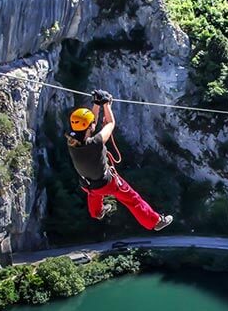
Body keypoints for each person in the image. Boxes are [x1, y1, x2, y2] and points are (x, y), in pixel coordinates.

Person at [66, 89, 173, 231]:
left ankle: (97, 213)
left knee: (94, 193)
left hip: (87, 183)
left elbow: (91, 124)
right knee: (132, 199)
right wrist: (107, 104)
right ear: (90, 126)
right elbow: (110, 123)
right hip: (106, 183)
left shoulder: (71, 141)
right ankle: (155, 222)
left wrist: (97, 104)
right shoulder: (95, 143)